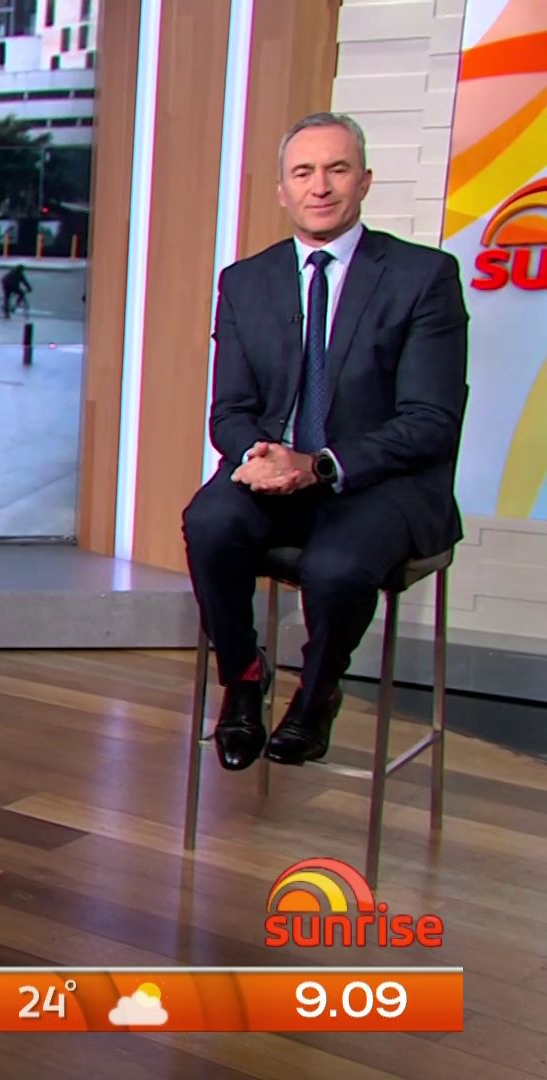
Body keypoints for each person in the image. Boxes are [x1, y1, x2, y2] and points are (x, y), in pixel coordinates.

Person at [184, 112, 467, 771]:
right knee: (209, 522)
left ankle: (317, 694)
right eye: (303, 172)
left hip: (379, 483)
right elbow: (230, 410)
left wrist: (319, 466)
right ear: (282, 190)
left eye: (337, 169)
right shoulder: (245, 281)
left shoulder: (423, 276)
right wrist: (258, 457)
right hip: (278, 473)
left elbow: (431, 419)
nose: (320, 186)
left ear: (363, 181)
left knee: (336, 566)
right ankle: (244, 680)